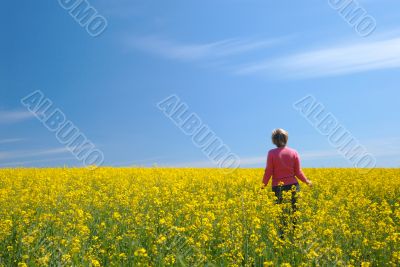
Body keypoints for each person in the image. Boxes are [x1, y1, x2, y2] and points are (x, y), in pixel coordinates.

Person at [262, 128, 312, 237]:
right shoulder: (294, 152)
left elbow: (268, 171)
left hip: (278, 188)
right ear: (286, 139)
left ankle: (282, 237)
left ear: (273, 140)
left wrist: (262, 186)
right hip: (293, 186)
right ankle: (295, 236)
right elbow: (298, 172)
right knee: (295, 212)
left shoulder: (271, 153)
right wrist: (307, 181)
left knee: (281, 214)